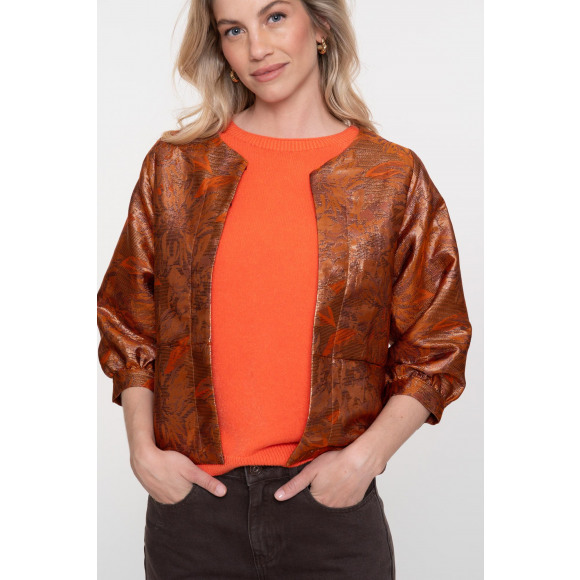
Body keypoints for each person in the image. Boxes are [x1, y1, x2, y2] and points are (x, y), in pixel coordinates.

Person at [97, 0, 472, 578]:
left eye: (275, 17)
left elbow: (438, 340)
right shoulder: (177, 167)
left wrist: (365, 460)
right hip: (193, 512)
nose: (257, 48)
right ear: (219, 47)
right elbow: (130, 318)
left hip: (331, 514)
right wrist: (142, 452)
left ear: (319, 26)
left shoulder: (390, 177)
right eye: (233, 30)